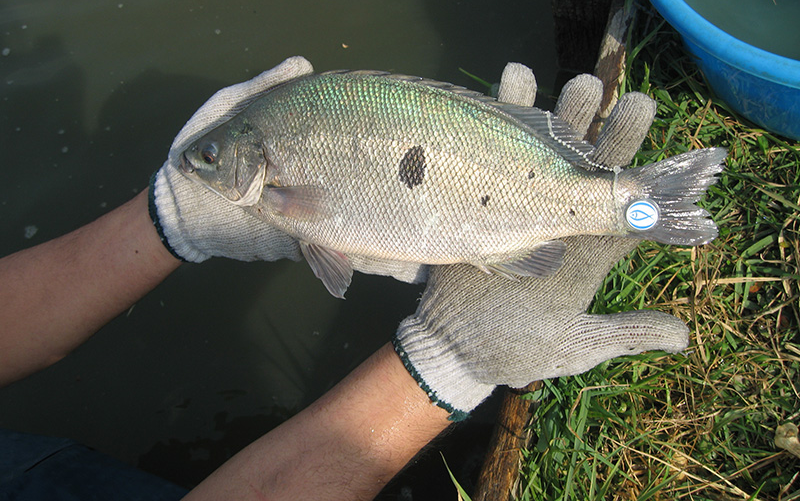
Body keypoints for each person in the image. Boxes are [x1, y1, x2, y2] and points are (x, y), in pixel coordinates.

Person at [0, 58, 690, 500]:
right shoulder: (272, 174)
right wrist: (444, 364)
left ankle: (632, 201)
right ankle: (634, 202)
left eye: (211, 159)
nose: (199, 166)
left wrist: (163, 220)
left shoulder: (268, 177)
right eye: (206, 160)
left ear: (252, 158)